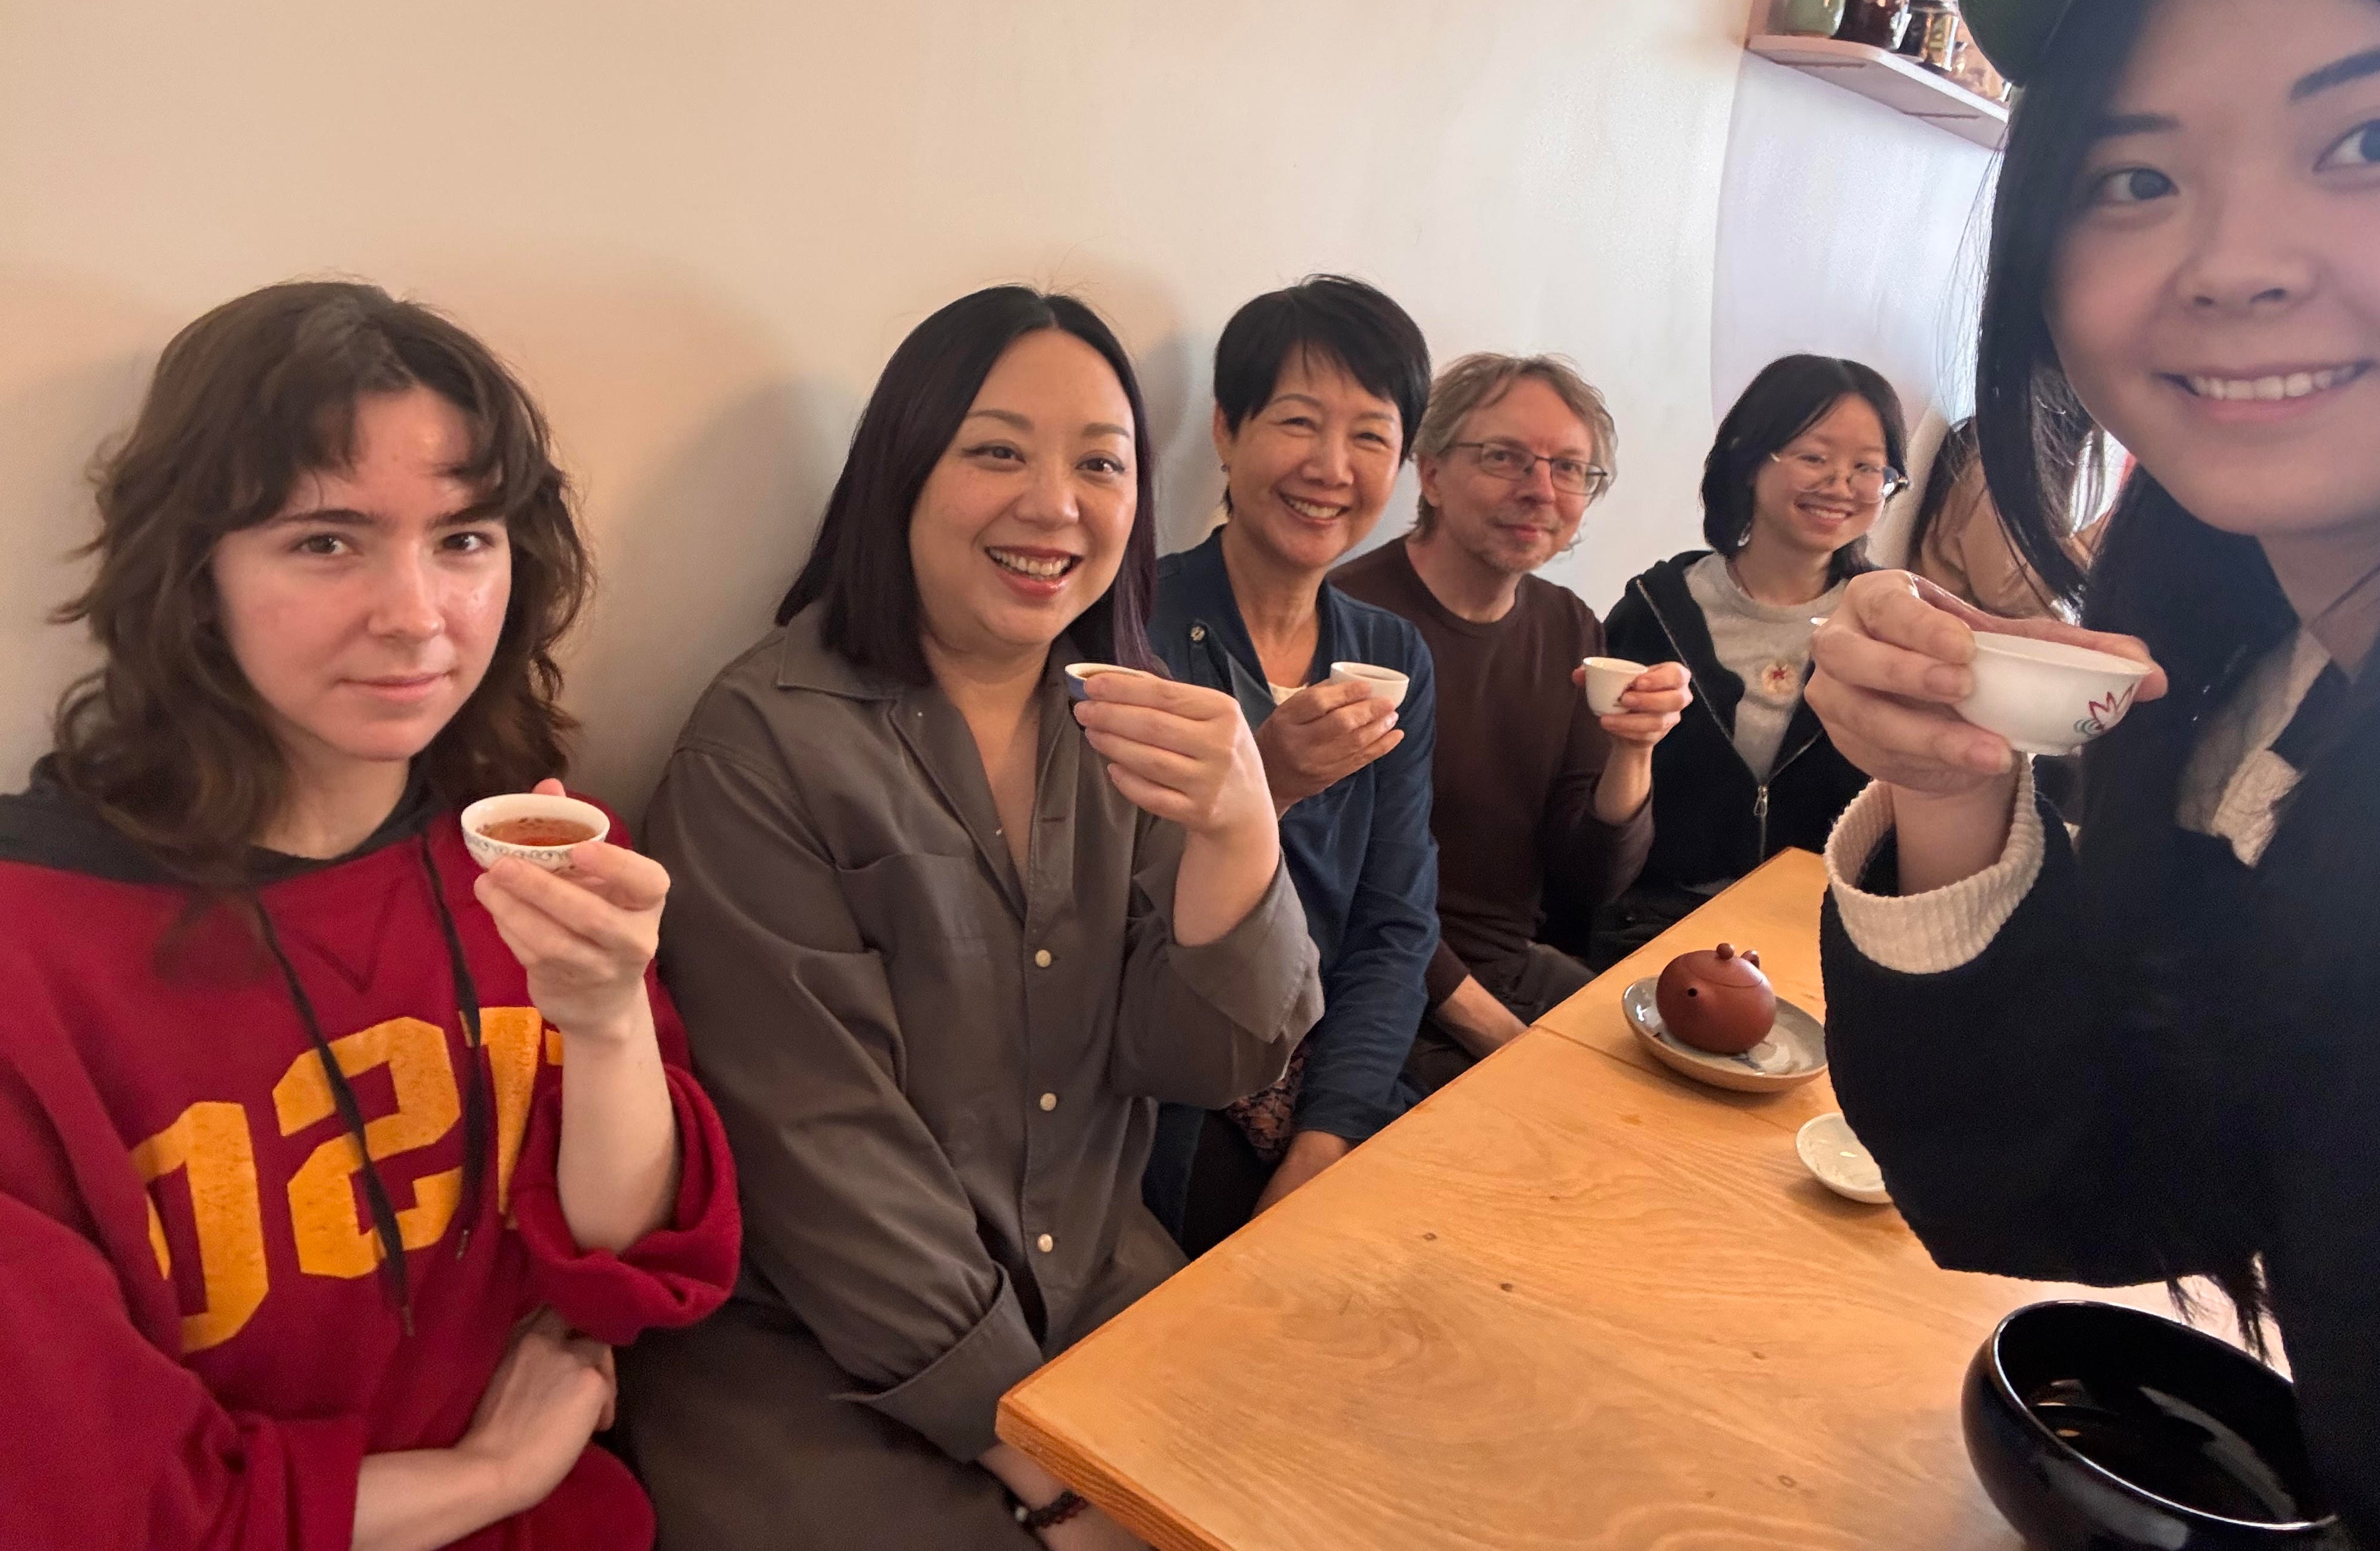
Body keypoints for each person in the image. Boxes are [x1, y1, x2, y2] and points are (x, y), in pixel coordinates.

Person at [1805, 0, 2380, 1535]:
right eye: (2135, 179)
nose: (2235, 261)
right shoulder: (2257, 683)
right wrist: (1945, 792)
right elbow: (2079, 1196)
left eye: (2374, 138)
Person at [0, 283, 741, 1550]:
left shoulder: (541, 849)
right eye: (326, 542)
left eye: (465, 540)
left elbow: (630, 1275)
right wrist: (491, 1476)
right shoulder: (35, 949)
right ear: (194, 574)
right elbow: (111, 1508)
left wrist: (610, 1018)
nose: (417, 617)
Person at [621, 286, 1320, 1551]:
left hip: (1101, 1303)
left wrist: (1241, 830)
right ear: (902, 471)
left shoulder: (1133, 718)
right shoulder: (765, 744)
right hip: (821, 1370)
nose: (1055, 505)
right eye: (997, 451)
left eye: (1100, 464)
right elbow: (820, 1159)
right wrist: (1049, 1475)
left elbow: (1207, 1062)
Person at [1144, 277, 1439, 1250]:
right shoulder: (1135, 624)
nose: (1330, 466)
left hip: (1332, 1069)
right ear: (1227, 431)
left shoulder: (1391, 658)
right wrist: (1260, 786)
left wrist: (1330, 1137)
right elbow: (1098, 908)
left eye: (1370, 435)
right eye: (1299, 422)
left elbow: (1395, 920)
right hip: (1178, 1083)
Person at [1333, 354, 1688, 1089]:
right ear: (1430, 474)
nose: (1540, 491)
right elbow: (1340, 880)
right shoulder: (1350, 623)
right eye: (1505, 458)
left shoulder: (1569, 627)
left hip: (1511, 970)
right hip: (1373, 989)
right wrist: (1495, 1030)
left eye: (1569, 469)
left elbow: (1592, 879)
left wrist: (1636, 751)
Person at [1591, 357, 1906, 962]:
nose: (1841, 484)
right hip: (1654, 929)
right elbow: (1590, 792)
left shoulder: (1892, 629)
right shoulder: (1657, 608)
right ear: (1748, 457)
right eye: (1815, 457)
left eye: (1868, 467)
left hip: (1822, 940)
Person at [1906, 415, 2105, 619]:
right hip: (1957, 633)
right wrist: (2099, 539)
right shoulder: (1999, 462)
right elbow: (2005, 594)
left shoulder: (2021, 454)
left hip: (1976, 631)